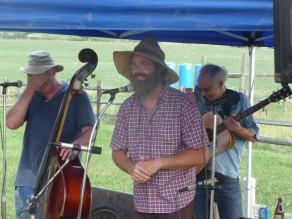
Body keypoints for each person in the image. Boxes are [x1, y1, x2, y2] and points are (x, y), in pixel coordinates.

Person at [110, 36, 210, 219]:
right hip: (141, 203)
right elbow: (117, 152)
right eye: (134, 65)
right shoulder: (127, 107)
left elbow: (202, 153)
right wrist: (132, 168)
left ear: (159, 69)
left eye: (144, 65)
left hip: (176, 203)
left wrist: (159, 163)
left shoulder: (183, 104)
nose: (137, 71)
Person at [6, 50, 95, 219]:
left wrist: (75, 145)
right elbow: (11, 123)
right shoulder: (29, 96)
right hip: (27, 180)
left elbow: (91, 132)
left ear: (53, 71)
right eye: (32, 76)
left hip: (61, 179)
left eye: (40, 75)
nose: (36, 80)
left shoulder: (76, 96)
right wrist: (30, 89)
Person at [192, 64, 259, 219]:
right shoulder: (197, 97)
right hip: (196, 173)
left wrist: (238, 129)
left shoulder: (239, 101)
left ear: (221, 83)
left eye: (207, 89)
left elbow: (254, 136)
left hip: (226, 176)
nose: (203, 93)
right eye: (200, 88)